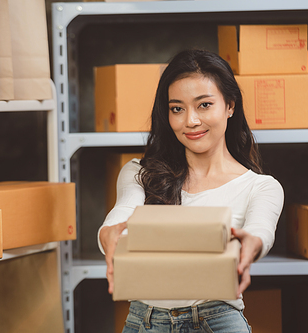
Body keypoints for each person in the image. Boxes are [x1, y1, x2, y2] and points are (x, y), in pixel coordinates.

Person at [98, 49, 284, 333]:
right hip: (147, 323)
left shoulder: (261, 187)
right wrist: (109, 233)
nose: (191, 121)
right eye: (177, 108)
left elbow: (261, 232)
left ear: (230, 106)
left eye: (204, 105)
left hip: (218, 321)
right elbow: (121, 215)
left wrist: (251, 246)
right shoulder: (140, 173)